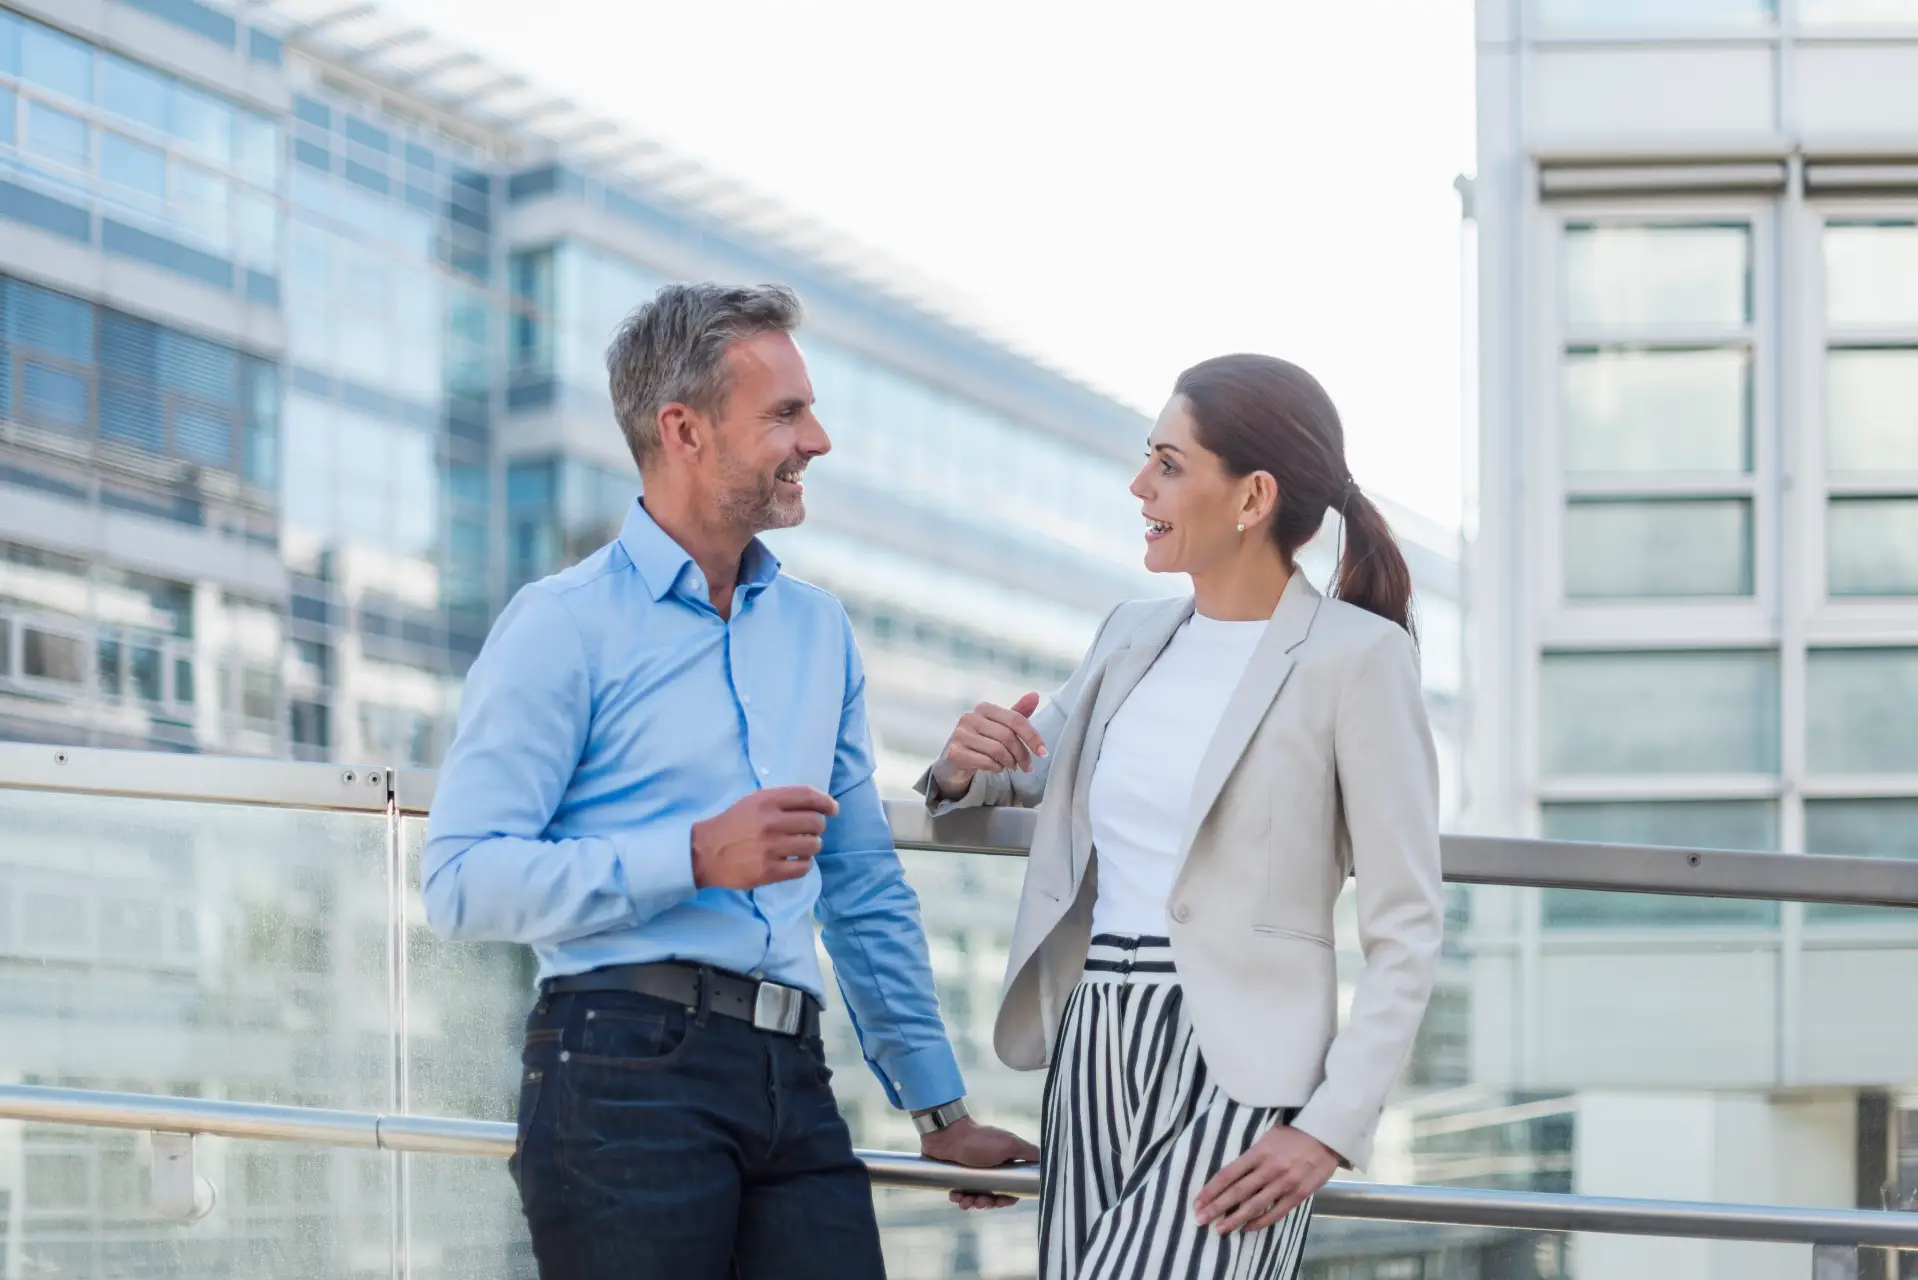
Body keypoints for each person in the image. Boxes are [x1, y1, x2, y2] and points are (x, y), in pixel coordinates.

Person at [423, 282, 1036, 1280]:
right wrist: (695, 856)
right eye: (786, 413)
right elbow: (459, 881)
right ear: (684, 429)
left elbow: (862, 883)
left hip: (791, 1077)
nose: (819, 439)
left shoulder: (816, 630)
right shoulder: (560, 623)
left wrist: (940, 1109)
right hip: (618, 1067)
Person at [920, 353, 1444, 1279]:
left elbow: (1406, 924)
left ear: (1252, 498)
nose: (1139, 485)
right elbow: (1035, 773)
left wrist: (1329, 1128)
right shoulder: (1130, 635)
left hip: (1243, 1066)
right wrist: (964, 771)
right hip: (1096, 1036)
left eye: (1168, 463)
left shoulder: (1357, 659)